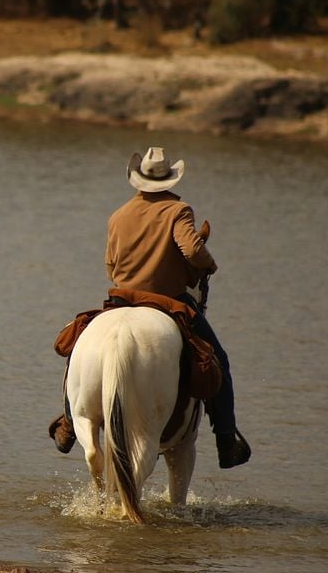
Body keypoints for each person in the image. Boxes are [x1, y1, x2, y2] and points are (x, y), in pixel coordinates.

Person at [48, 147, 251, 469]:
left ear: (138, 179)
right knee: (218, 360)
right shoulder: (178, 210)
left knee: (76, 349)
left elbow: (110, 267)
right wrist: (209, 265)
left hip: (121, 298)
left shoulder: (118, 215)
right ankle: (226, 439)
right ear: (170, 179)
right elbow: (192, 249)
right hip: (168, 301)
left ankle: (71, 422)